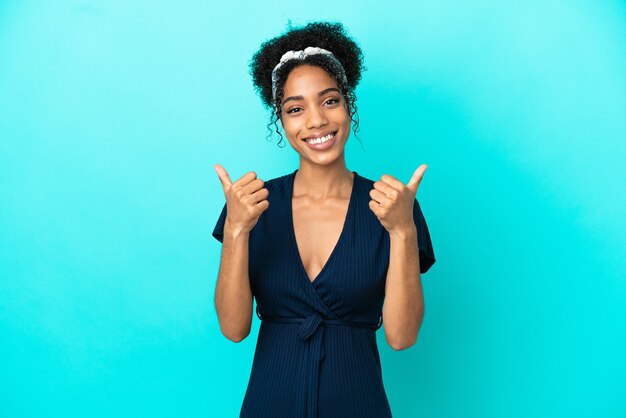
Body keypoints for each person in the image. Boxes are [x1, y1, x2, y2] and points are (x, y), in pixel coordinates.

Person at [212, 20, 436, 418]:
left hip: (357, 404)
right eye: (295, 108)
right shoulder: (252, 206)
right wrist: (236, 229)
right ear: (281, 121)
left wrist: (403, 231)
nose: (315, 121)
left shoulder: (392, 206)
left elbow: (402, 338)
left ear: (348, 105)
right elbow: (234, 329)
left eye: (329, 101)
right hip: (269, 403)